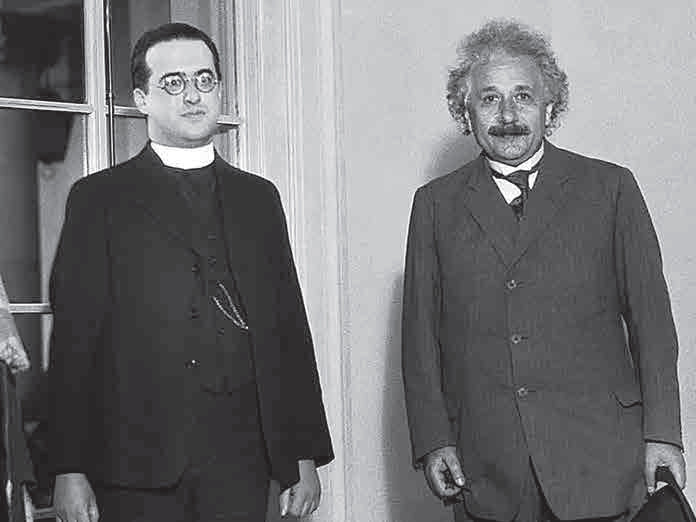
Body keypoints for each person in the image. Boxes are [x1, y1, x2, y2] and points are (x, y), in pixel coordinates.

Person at [402, 19, 685, 522]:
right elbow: (419, 339)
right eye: (489, 99)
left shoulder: (611, 189)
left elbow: (653, 324)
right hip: (487, 468)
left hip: (601, 461)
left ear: (549, 107)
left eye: (523, 97)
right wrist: (433, 440)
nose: (508, 115)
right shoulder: (435, 206)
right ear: (465, 111)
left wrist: (663, 434)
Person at [48, 22, 333, 522]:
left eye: (204, 79)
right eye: (174, 82)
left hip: (242, 459)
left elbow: (288, 329)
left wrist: (302, 454)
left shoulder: (258, 199)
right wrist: (68, 468)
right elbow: (74, 342)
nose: (194, 95)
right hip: (133, 463)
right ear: (142, 98)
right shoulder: (99, 200)